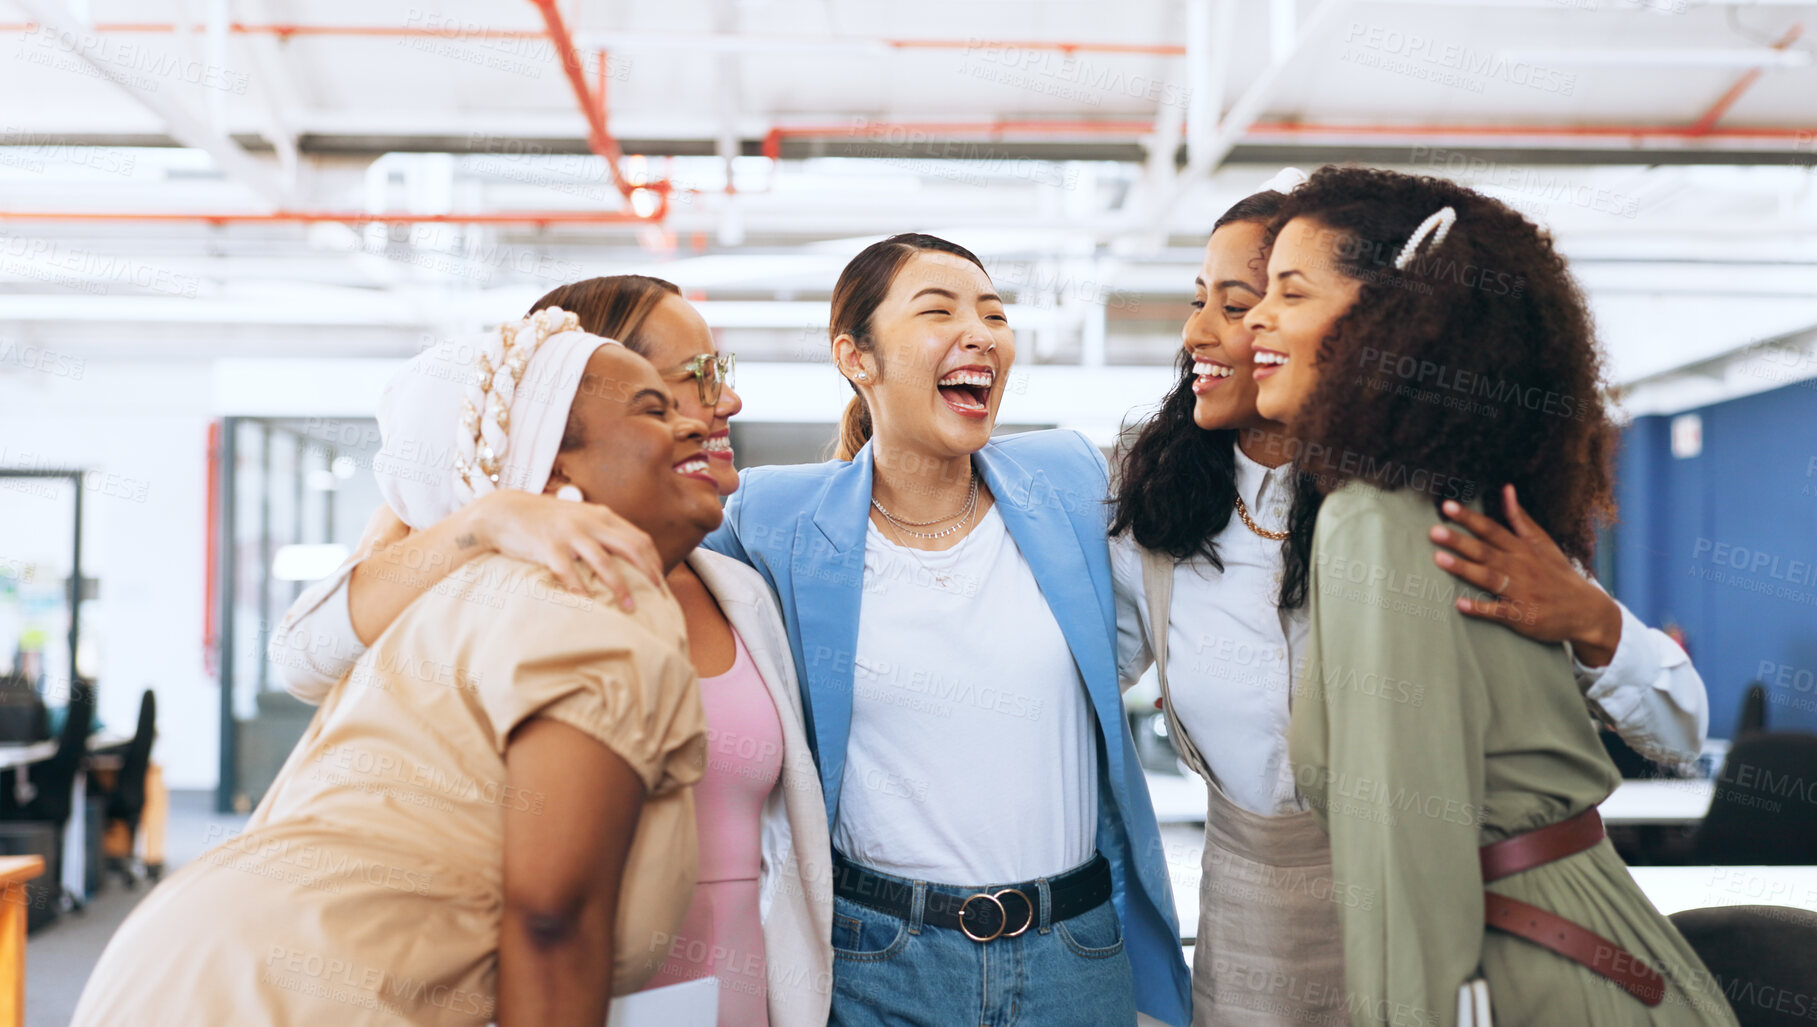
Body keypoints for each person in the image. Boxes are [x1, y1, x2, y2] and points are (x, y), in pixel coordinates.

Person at [1109, 184, 1712, 1024]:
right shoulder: (1158, 522)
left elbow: (1676, 726)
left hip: (1441, 931)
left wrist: (1591, 619)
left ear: (1380, 321)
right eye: (1201, 301)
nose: (1216, 330)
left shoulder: (1429, 512)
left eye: (1262, 298)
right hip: (1259, 934)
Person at [73, 309, 721, 1026]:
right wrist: (493, 510)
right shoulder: (598, 590)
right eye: (656, 407)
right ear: (554, 463)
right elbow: (553, 919)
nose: (698, 421)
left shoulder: (453, 594)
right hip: (288, 992)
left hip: (190, 963)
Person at [267, 277, 832, 1027]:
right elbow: (306, 650)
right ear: (576, 417)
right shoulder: (495, 589)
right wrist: (490, 515)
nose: (722, 403)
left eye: (718, 374)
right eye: (684, 386)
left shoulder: (734, 587)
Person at [704, 234, 1193, 1026]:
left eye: (993, 314)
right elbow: (637, 557)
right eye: (939, 310)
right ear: (855, 357)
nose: (980, 332)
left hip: (1072, 952)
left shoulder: (1068, 481)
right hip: (879, 958)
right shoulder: (776, 517)